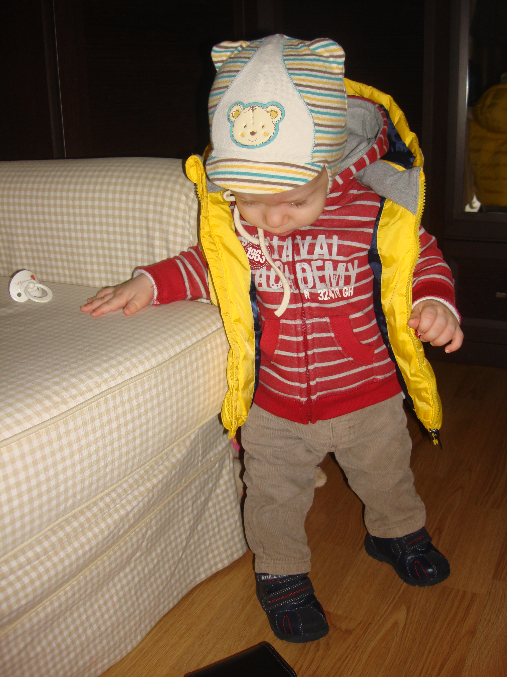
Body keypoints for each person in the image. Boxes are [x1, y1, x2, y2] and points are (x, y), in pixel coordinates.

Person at [81, 35, 464, 644]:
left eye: (293, 202)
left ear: (329, 167)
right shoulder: (242, 223)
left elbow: (422, 259)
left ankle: (397, 532)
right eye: (252, 203)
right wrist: (149, 283)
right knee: (272, 497)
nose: (272, 219)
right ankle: (281, 572)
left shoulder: (371, 212)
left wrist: (433, 301)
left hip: (369, 395)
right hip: (275, 404)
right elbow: (209, 264)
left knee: (388, 475)